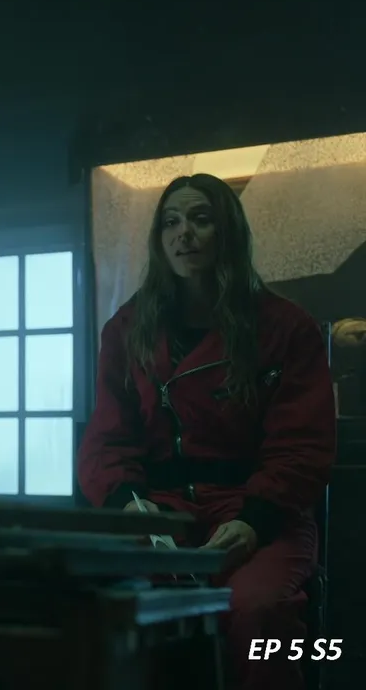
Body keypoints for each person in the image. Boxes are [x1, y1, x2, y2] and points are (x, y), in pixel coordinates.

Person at [78, 174, 335, 690]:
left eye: (200, 219)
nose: (184, 233)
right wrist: (129, 506)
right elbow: (106, 440)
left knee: (259, 612)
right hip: (160, 513)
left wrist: (254, 520)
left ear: (229, 232)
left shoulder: (286, 327)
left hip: (257, 509)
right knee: (104, 607)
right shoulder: (127, 329)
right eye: (171, 222)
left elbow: (302, 445)